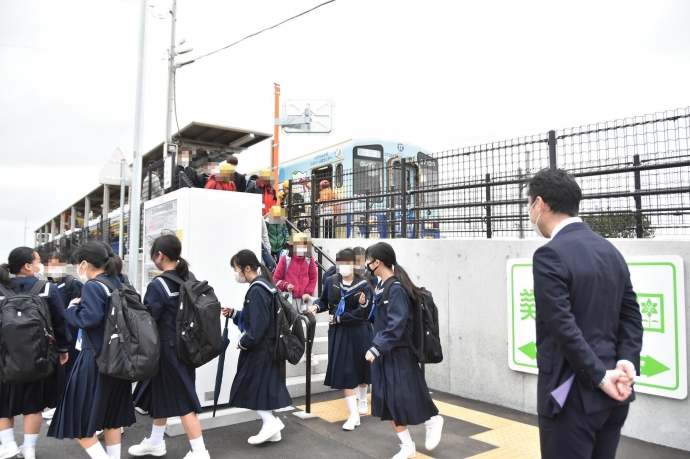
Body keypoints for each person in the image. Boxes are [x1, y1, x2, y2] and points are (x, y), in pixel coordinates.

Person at [527, 168, 643, 459]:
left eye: (529, 205)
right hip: (616, 396)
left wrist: (600, 378)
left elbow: (562, 327)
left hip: (572, 398)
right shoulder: (610, 250)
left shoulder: (549, 254)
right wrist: (626, 362)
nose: (529, 213)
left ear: (540, 203)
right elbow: (631, 316)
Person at [47, 242, 136, 459]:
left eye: (77, 263)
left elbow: (90, 318)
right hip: (119, 359)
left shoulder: (94, 286)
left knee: (77, 419)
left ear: (85, 264)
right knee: (111, 417)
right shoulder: (121, 283)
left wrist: (72, 309)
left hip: (94, 358)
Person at [128, 234, 209, 459]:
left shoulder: (159, 285)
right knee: (160, 395)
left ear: (160, 255)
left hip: (167, 351)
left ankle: (200, 452)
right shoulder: (188, 278)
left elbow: (148, 319)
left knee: (184, 402)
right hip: (185, 348)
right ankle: (155, 441)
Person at [364, 242, 443, 459]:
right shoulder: (381, 286)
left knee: (405, 398)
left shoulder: (396, 288)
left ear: (376, 262)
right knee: (388, 402)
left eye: (368, 260)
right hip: (385, 353)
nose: (366, 264)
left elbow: (396, 326)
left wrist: (376, 347)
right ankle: (407, 446)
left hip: (398, 354)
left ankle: (432, 420)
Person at [0, 248, 70, 459]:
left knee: (4, 403)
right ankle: (28, 449)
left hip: (5, 356)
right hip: (39, 355)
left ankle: (8, 445)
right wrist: (63, 348)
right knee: (34, 405)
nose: (41, 264)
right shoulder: (47, 287)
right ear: (27, 266)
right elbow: (59, 320)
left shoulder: (2, 289)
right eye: (38, 261)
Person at [222, 250, 291, 445]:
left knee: (250, 387)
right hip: (266, 348)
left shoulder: (258, 289)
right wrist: (235, 314)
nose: (236, 274)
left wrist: (244, 342)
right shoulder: (262, 286)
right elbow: (254, 317)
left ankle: (271, 423)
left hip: (260, 349)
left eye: (236, 269)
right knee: (263, 389)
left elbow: (259, 325)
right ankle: (272, 429)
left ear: (247, 268)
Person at [309, 248, 372, 430]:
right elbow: (323, 301)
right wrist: (315, 307)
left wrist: (339, 318)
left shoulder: (363, 285)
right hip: (339, 334)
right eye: (340, 262)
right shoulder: (331, 281)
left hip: (358, 332)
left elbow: (363, 314)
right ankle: (353, 415)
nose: (343, 266)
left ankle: (362, 399)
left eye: (347, 262)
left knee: (360, 369)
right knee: (346, 373)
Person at [43, 252, 84, 423]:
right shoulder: (47, 285)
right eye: (49, 265)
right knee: (60, 372)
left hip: (72, 336)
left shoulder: (72, 283)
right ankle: (60, 405)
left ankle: (68, 409)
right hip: (56, 336)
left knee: (71, 370)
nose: (53, 269)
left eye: (56, 264)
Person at [272, 233, 318, 365]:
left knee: (312, 321)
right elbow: (276, 279)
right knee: (293, 325)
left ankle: (308, 352)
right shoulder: (285, 259)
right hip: (289, 301)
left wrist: (308, 292)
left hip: (303, 301)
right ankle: (294, 351)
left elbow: (313, 278)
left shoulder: (309, 259)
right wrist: (286, 285)